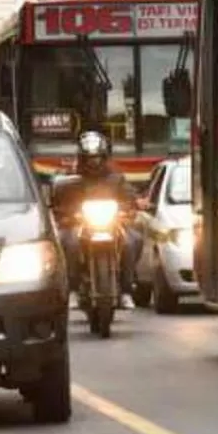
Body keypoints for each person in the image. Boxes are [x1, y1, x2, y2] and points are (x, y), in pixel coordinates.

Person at [54, 130, 141, 309]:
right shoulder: (70, 181)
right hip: (79, 225)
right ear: (82, 158)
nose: (94, 162)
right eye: (89, 158)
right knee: (69, 243)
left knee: (132, 241)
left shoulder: (116, 179)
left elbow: (129, 197)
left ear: (104, 157)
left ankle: (126, 290)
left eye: (97, 157)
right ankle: (73, 289)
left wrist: (130, 207)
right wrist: (67, 214)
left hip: (111, 224)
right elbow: (59, 202)